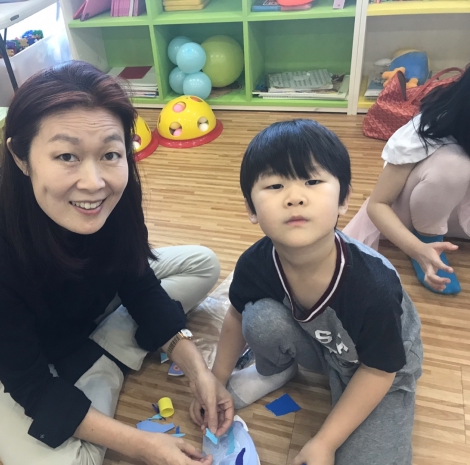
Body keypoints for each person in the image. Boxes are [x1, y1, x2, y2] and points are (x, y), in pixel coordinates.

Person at [0, 61, 234, 465]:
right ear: (21, 157)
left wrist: (200, 373)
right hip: (1, 362)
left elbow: (140, 284)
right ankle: (103, 362)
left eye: (110, 153)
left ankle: (97, 357)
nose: (94, 183)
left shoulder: (115, 194)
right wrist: (145, 445)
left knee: (203, 264)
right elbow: (30, 385)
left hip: (77, 311)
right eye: (66, 156)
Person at [190, 120, 423, 465]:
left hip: (380, 370)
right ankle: (279, 370)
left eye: (312, 182)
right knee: (258, 317)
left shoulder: (373, 287)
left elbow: (380, 371)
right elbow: (236, 317)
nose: (295, 197)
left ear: (344, 199)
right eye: (275, 185)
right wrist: (216, 381)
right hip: (324, 345)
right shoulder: (255, 263)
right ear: (251, 209)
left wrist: (324, 442)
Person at [344, 67, 470, 295]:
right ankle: (429, 239)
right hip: (418, 211)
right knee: (454, 166)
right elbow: (377, 204)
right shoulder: (433, 125)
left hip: (459, 215)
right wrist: (419, 250)